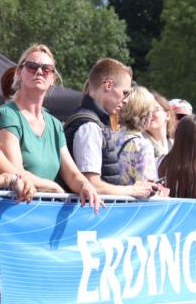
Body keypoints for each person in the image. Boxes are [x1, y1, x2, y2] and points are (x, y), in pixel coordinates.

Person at [0, 44, 102, 209]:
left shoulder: (54, 124)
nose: (39, 72)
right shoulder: (7, 115)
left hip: (44, 213)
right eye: (32, 67)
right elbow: (15, 172)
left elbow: (72, 174)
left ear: (52, 78)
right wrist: (53, 187)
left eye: (46, 69)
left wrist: (85, 186)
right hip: (13, 212)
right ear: (19, 73)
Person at [64, 58, 156, 199]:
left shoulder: (94, 123)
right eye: (125, 92)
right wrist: (132, 191)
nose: (126, 100)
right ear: (108, 85)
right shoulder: (89, 126)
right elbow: (91, 185)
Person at [112, 86, 160, 184]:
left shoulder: (108, 137)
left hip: (105, 197)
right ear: (144, 114)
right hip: (130, 198)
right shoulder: (142, 146)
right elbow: (146, 187)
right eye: (151, 111)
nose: (151, 116)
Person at [147, 92, 174, 158]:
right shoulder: (140, 144)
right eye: (146, 110)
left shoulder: (175, 146)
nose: (150, 114)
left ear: (167, 115)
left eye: (155, 109)